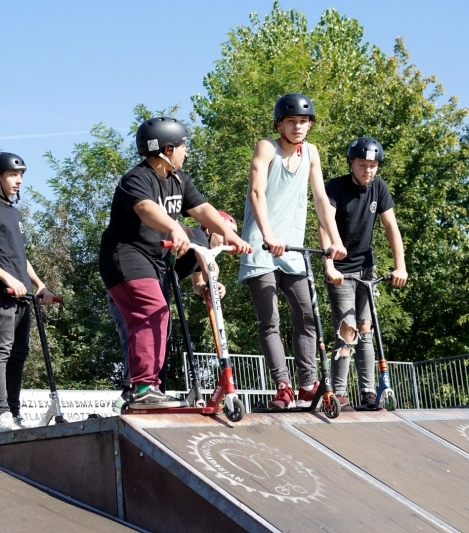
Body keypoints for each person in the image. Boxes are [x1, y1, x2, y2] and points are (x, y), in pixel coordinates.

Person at [99, 117, 251, 407]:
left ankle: (148, 390)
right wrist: (174, 226)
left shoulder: (179, 180)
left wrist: (231, 234)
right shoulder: (137, 178)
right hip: (125, 257)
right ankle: (143, 389)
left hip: (154, 263)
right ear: (167, 150)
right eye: (183, 146)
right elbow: (145, 208)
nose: (186, 152)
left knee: (160, 319)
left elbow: (203, 209)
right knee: (151, 311)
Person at [238, 93, 347, 411]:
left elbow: (321, 200)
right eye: (291, 121)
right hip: (262, 243)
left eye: (303, 121)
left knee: (308, 316)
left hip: (293, 249)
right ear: (279, 124)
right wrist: (269, 235)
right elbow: (257, 191)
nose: (298, 127)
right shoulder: (266, 147)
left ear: (310, 124)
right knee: (269, 320)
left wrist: (335, 241)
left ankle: (307, 385)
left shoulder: (311, 153)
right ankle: (282, 387)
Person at [108, 211, 236, 411]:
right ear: (210, 229)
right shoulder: (198, 237)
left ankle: (154, 392)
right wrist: (214, 279)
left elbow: (198, 282)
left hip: (156, 288)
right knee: (144, 334)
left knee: (161, 336)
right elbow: (210, 269)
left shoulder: (197, 249)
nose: (228, 238)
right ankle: (129, 393)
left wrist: (205, 288)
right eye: (225, 231)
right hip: (131, 287)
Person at [318, 137, 408, 408]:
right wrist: (329, 265)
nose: (367, 170)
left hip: (366, 268)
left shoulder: (378, 188)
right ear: (351, 163)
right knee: (347, 330)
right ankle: (340, 393)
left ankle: (370, 391)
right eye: (362, 164)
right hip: (341, 270)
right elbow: (325, 224)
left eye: (372, 165)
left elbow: (391, 226)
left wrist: (400, 265)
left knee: (365, 329)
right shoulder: (336, 187)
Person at [0, 152, 55, 432]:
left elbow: (20, 257)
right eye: (12, 175)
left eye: (21, 176)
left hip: (24, 296)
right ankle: (1, 415)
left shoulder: (15, 213)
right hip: (2, 294)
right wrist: (6, 277)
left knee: (19, 354)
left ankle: (14, 414)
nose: (18, 181)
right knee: (1, 352)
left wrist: (40, 285)